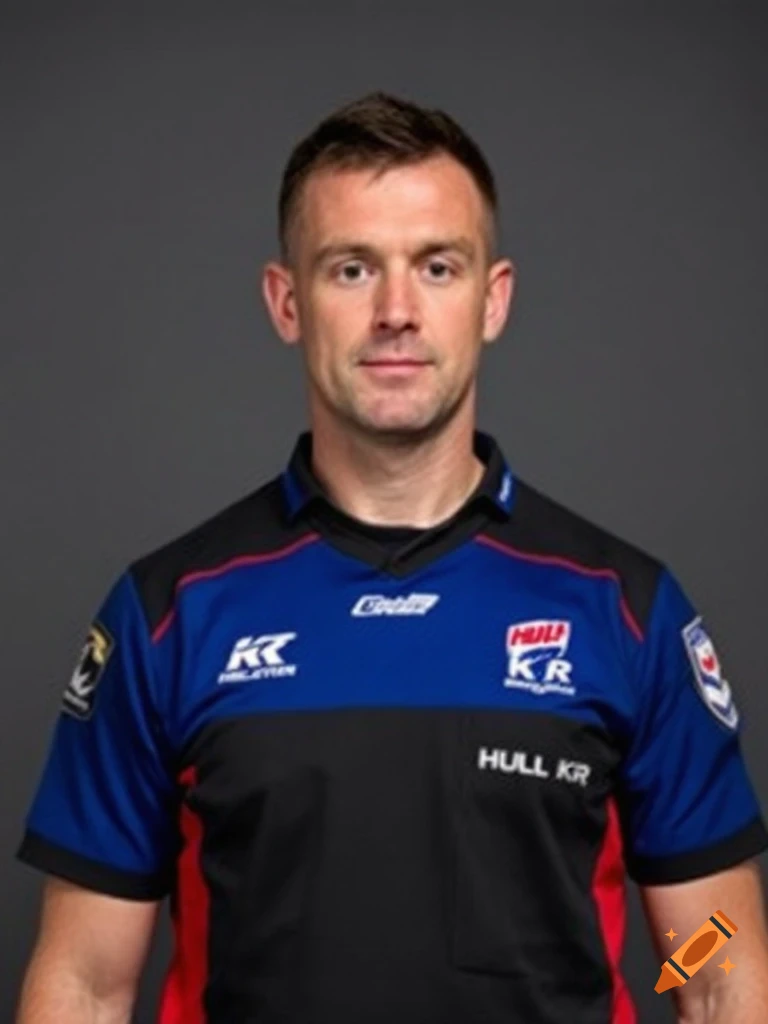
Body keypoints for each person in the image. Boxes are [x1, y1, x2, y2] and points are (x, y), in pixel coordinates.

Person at [14, 92, 768, 1024]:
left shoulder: (627, 609)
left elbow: (719, 956)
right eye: (351, 269)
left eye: (437, 266)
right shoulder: (169, 611)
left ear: (492, 300)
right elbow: (83, 986)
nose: (397, 311)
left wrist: (628, 973)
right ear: (288, 302)